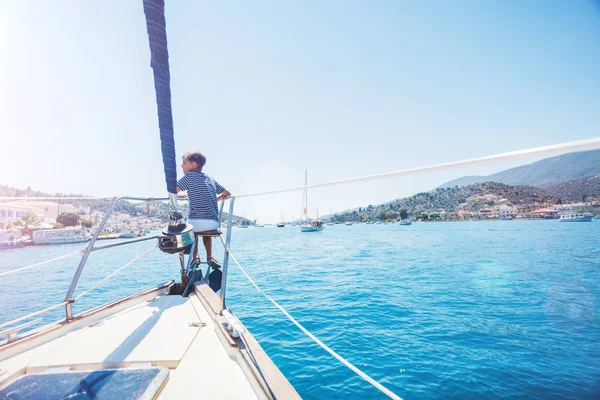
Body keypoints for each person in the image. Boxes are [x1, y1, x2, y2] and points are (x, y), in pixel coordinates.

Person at [176, 151, 230, 268]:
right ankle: (210, 257)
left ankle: (195, 257)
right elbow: (227, 193)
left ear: (193, 164)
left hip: (196, 223)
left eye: (184, 163)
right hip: (213, 224)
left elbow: (174, 190)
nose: (181, 166)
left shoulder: (188, 177)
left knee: (191, 231)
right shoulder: (210, 178)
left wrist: (180, 196)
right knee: (206, 232)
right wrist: (216, 199)